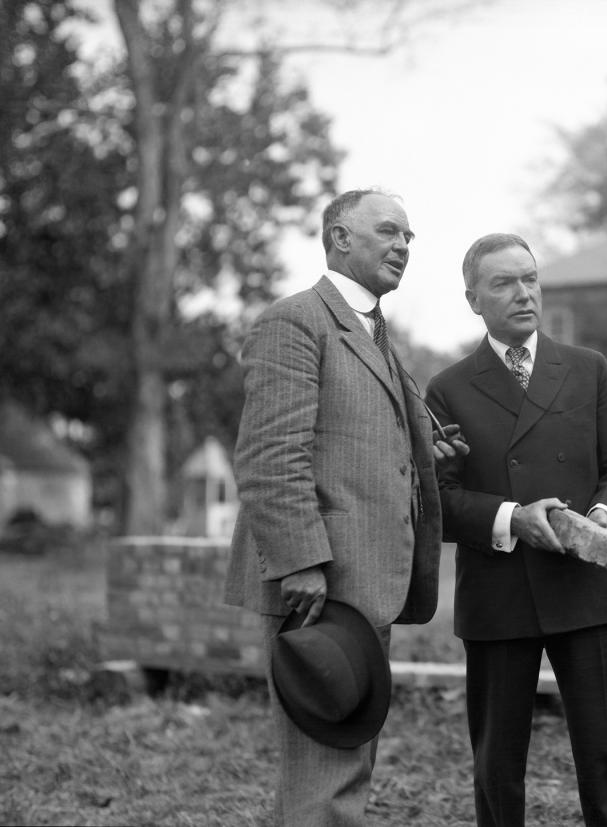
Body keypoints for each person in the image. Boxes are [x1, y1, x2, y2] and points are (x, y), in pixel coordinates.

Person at [225, 188, 459, 826]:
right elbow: (270, 454)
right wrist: (300, 561)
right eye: (387, 231)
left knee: (339, 766)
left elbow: (355, 445)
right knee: (324, 773)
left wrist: (423, 453)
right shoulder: (296, 320)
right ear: (338, 238)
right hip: (317, 587)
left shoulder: (375, 330)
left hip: (363, 580)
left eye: (409, 237)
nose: (403, 247)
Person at [424, 233, 607, 827]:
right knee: (497, 767)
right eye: (504, 283)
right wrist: (513, 519)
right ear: (473, 299)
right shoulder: (446, 388)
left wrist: (597, 520)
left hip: (585, 588)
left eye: (530, 278)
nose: (524, 293)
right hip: (499, 596)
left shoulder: (586, 369)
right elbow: (438, 499)